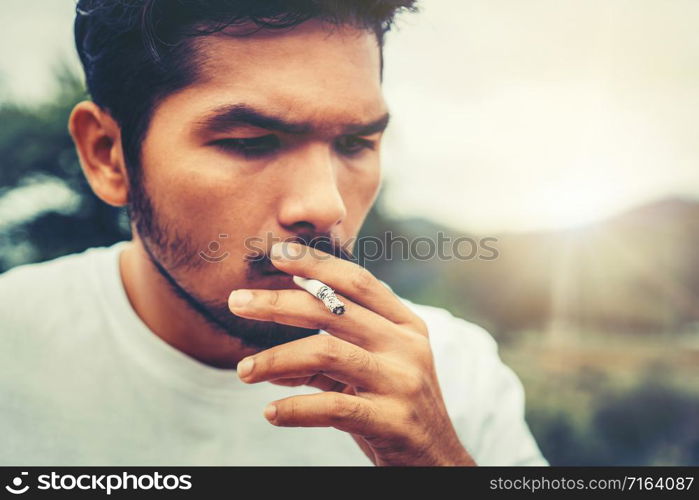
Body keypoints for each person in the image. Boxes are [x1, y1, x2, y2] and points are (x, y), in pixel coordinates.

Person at [0, 0, 547, 466]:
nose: (324, 205)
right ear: (108, 155)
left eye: (356, 144)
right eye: (249, 141)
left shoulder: (455, 373)